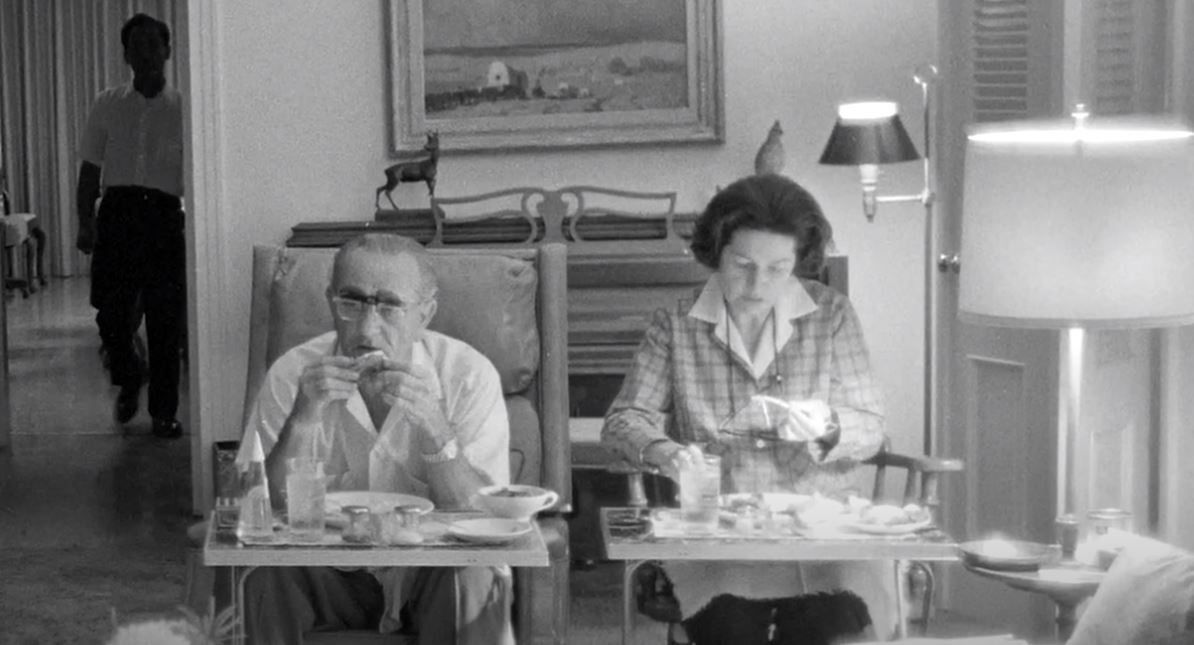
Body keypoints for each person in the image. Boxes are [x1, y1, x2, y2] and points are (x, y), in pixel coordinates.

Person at [601, 174, 892, 645]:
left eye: (778, 268)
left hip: (821, 532)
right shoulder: (675, 323)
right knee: (728, 625)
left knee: (833, 624)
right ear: (716, 251)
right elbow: (623, 421)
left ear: (799, 260)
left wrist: (826, 424)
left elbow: (872, 428)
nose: (758, 285)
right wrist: (666, 453)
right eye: (742, 265)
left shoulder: (832, 314)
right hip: (718, 534)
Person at [235, 233, 514, 645]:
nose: (367, 329)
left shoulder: (468, 376)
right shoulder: (292, 374)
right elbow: (260, 509)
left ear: (425, 313)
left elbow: (482, 516)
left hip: (431, 573)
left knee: (476, 576)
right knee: (262, 576)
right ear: (330, 301)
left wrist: (437, 431)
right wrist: (303, 420)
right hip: (328, 573)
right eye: (351, 302)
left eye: (389, 306)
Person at [76, 13, 185, 439]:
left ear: (168, 50)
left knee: (164, 320)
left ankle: (163, 412)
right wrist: (85, 222)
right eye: (136, 46)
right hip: (117, 216)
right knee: (110, 315)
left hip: (163, 218)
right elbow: (90, 168)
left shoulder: (183, 109)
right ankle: (129, 373)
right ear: (126, 55)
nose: (146, 53)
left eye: (153, 44)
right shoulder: (107, 103)